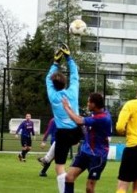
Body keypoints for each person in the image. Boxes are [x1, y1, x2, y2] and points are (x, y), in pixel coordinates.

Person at [46, 43, 82, 193]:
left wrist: (55, 62)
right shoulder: (72, 91)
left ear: (53, 85)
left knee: (59, 166)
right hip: (77, 131)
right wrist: (69, 58)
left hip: (63, 133)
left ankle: (65, 191)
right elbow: (75, 75)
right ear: (65, 83)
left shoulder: (53, 96)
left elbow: (48, 79)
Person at [62, 92, 112, 193]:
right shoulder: (99, 113)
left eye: (89, 102)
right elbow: (80, 119)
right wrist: (70, 109)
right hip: (85, 151)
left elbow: (78, 120)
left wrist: (66, 108)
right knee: (69, 177)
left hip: (97, 155)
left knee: (89, 188)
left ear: (94, 104)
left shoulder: (102, 118)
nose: (87, 104)